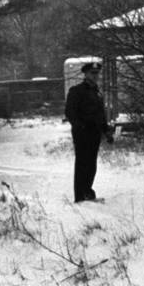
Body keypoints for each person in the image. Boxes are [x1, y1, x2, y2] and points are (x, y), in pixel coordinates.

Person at [64, 62, 113, 202]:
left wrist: (106, 131)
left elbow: (100, 114)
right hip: (82, 133)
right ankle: (79, 197)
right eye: (92, 73)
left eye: (97, 73)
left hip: (95, 133)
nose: (95, 76)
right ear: (85, 74)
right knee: (82, 164)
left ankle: (87, 192)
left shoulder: (97, 91)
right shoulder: (76, 91)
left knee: (91, 164)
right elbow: (70, 112)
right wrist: (81, 127)